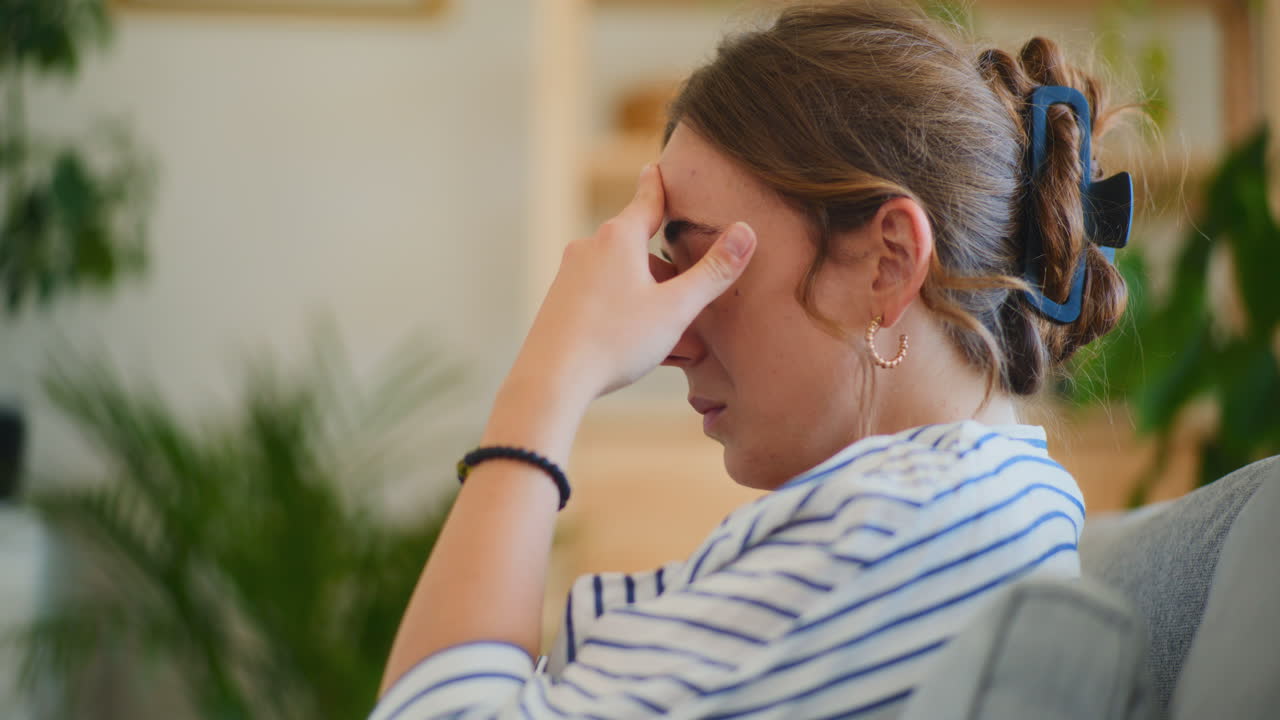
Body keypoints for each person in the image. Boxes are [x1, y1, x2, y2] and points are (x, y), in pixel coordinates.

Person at [369, 2, 1137, 717]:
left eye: (706, 267)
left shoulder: (900, 533)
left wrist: (549, 377)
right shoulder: (963, 505)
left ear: (888, 263)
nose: (671, 340)